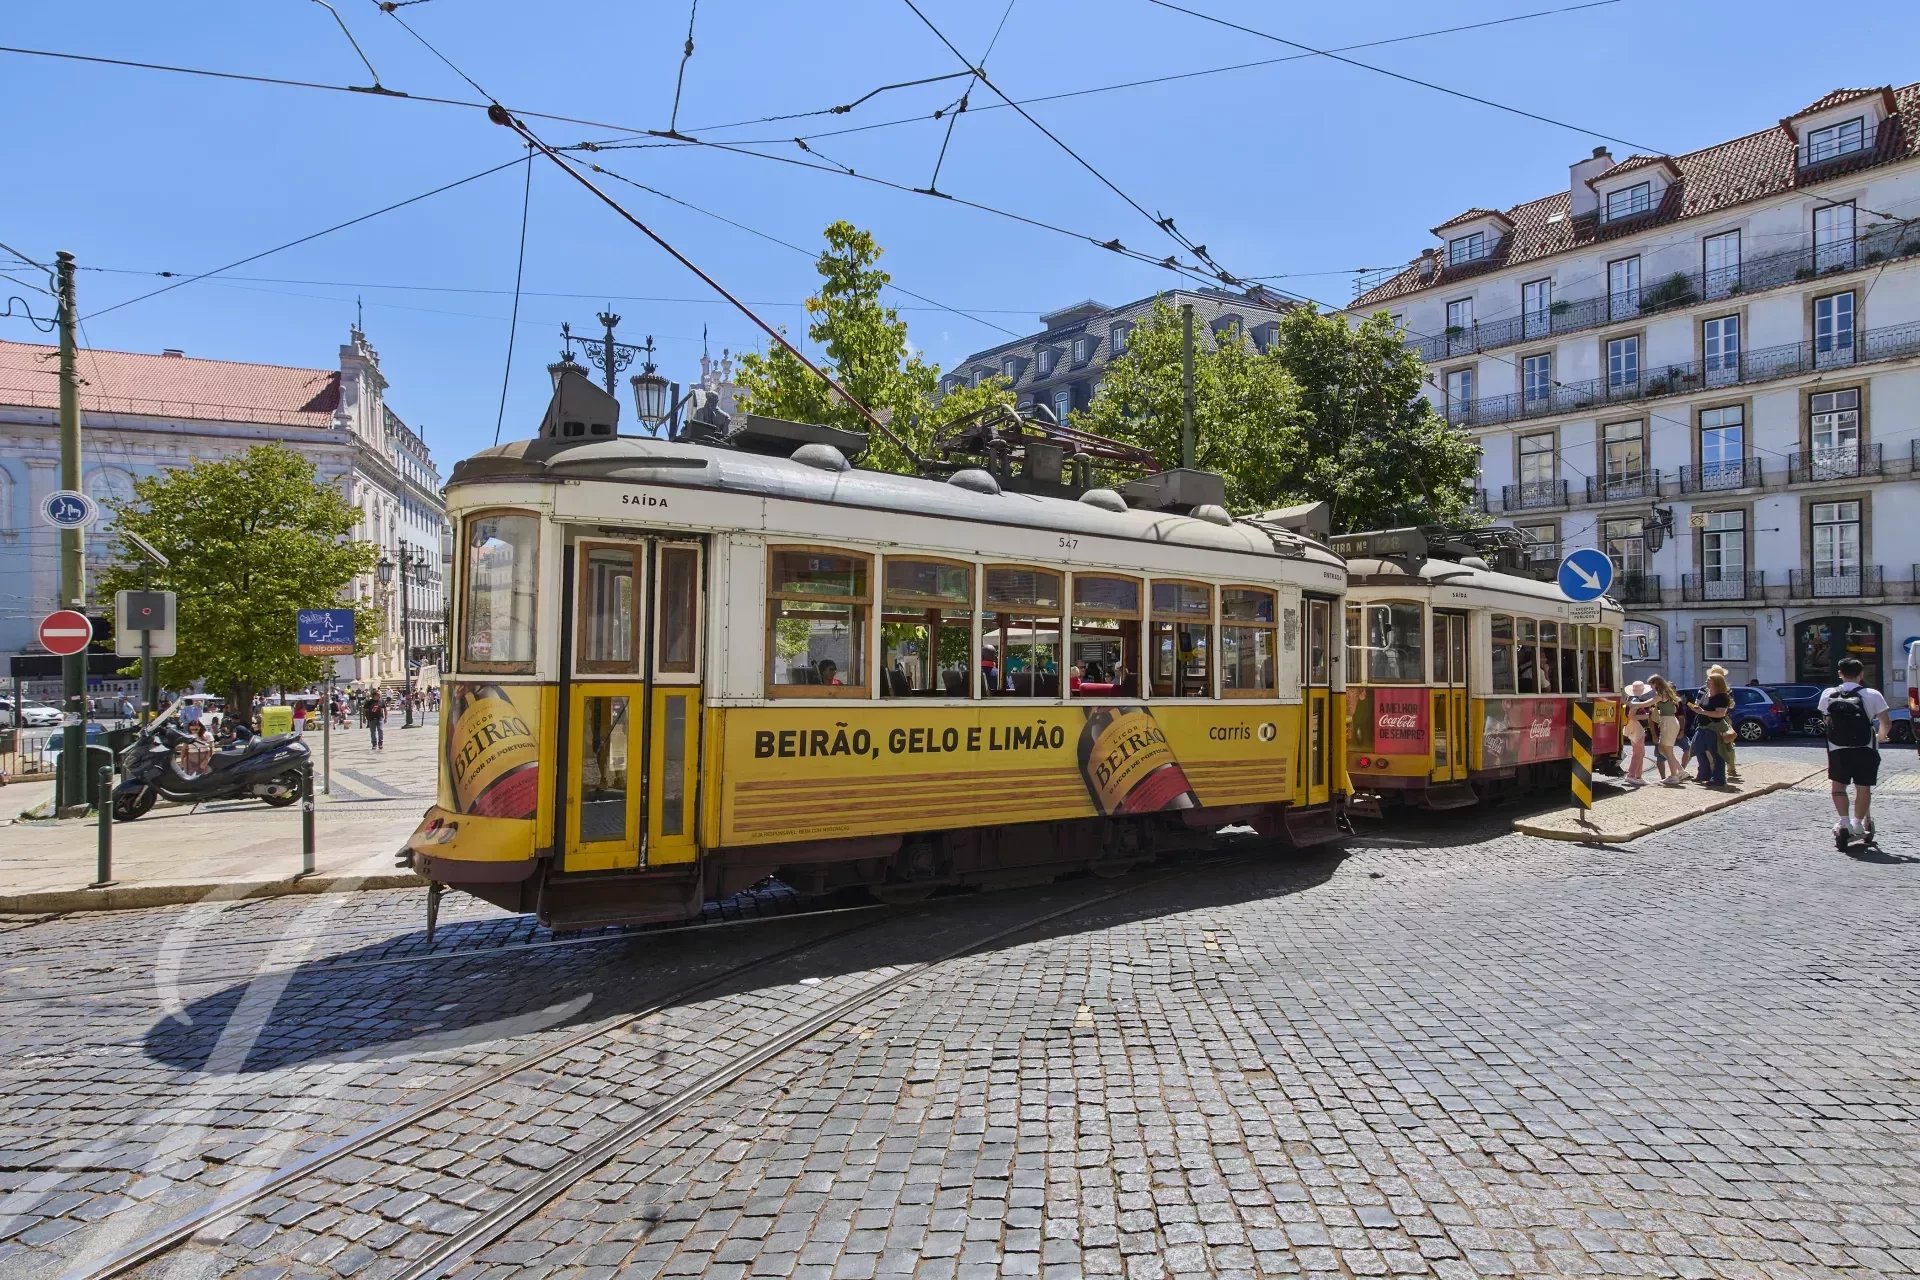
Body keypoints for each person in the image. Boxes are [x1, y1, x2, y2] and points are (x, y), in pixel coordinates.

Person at [1820, 656, 1891, 850]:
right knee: (1863, 788)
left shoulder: (1828, 693)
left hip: (1837, 748)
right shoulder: (1873, 694)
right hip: (1865, 747)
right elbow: (1886, 722)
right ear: (1861, 674)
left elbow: (1826, 719)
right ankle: (1858, 823)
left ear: (1840, 674)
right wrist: (1881, 737)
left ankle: (1844, 822)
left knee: (1838, 787)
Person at [1688, 669, 1733, 786]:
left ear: (1717, 683)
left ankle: (1718, 779)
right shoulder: (1706, 693)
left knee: (1716, 754)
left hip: (1714, 728)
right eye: (1707, 680)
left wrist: (1703, 712)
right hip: (1702, 726)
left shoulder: (1722, 697)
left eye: (1709, 680)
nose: (1706, 682)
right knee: (1699, 750)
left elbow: (1720, 714)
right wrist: (1697, 709)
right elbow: (1702, 707)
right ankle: (1703, 775)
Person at [1648, 675, 1684, 783]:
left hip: (1668, 723)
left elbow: (1647, 703)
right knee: (1662, 749)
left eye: (1651, 684)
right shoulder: (1666, 693)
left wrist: (1633, 704)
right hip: (1667, 722)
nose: (1650, 687)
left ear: (1656, 683)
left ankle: (1674, 776)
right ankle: (1680, 771)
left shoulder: (1661, 694)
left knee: (1668, 750)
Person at [1622, 680, 1656, 784]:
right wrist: (1648, 716)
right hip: (1636, 726)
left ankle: (1637, 776)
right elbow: (1632, 716)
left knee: (1638, 752)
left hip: (1633, 726)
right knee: (1639, 753)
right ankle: (1632, 775)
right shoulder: (1636, 700)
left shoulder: (1631, 699)